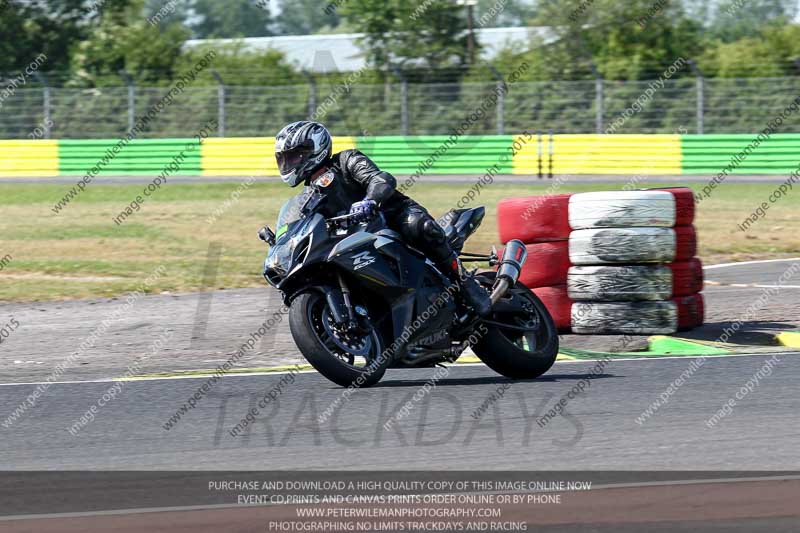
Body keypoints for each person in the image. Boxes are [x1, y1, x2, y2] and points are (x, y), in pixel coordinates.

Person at [274, 120, 491, 316]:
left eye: (296, 155)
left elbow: (381, 179)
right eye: (286, 158)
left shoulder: (346, 160)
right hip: (356, 240)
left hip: (391, 216)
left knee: (419, 226)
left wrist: (370, 200)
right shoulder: (307, 197)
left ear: (316, 148)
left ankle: (466, 285)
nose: (291, 162)